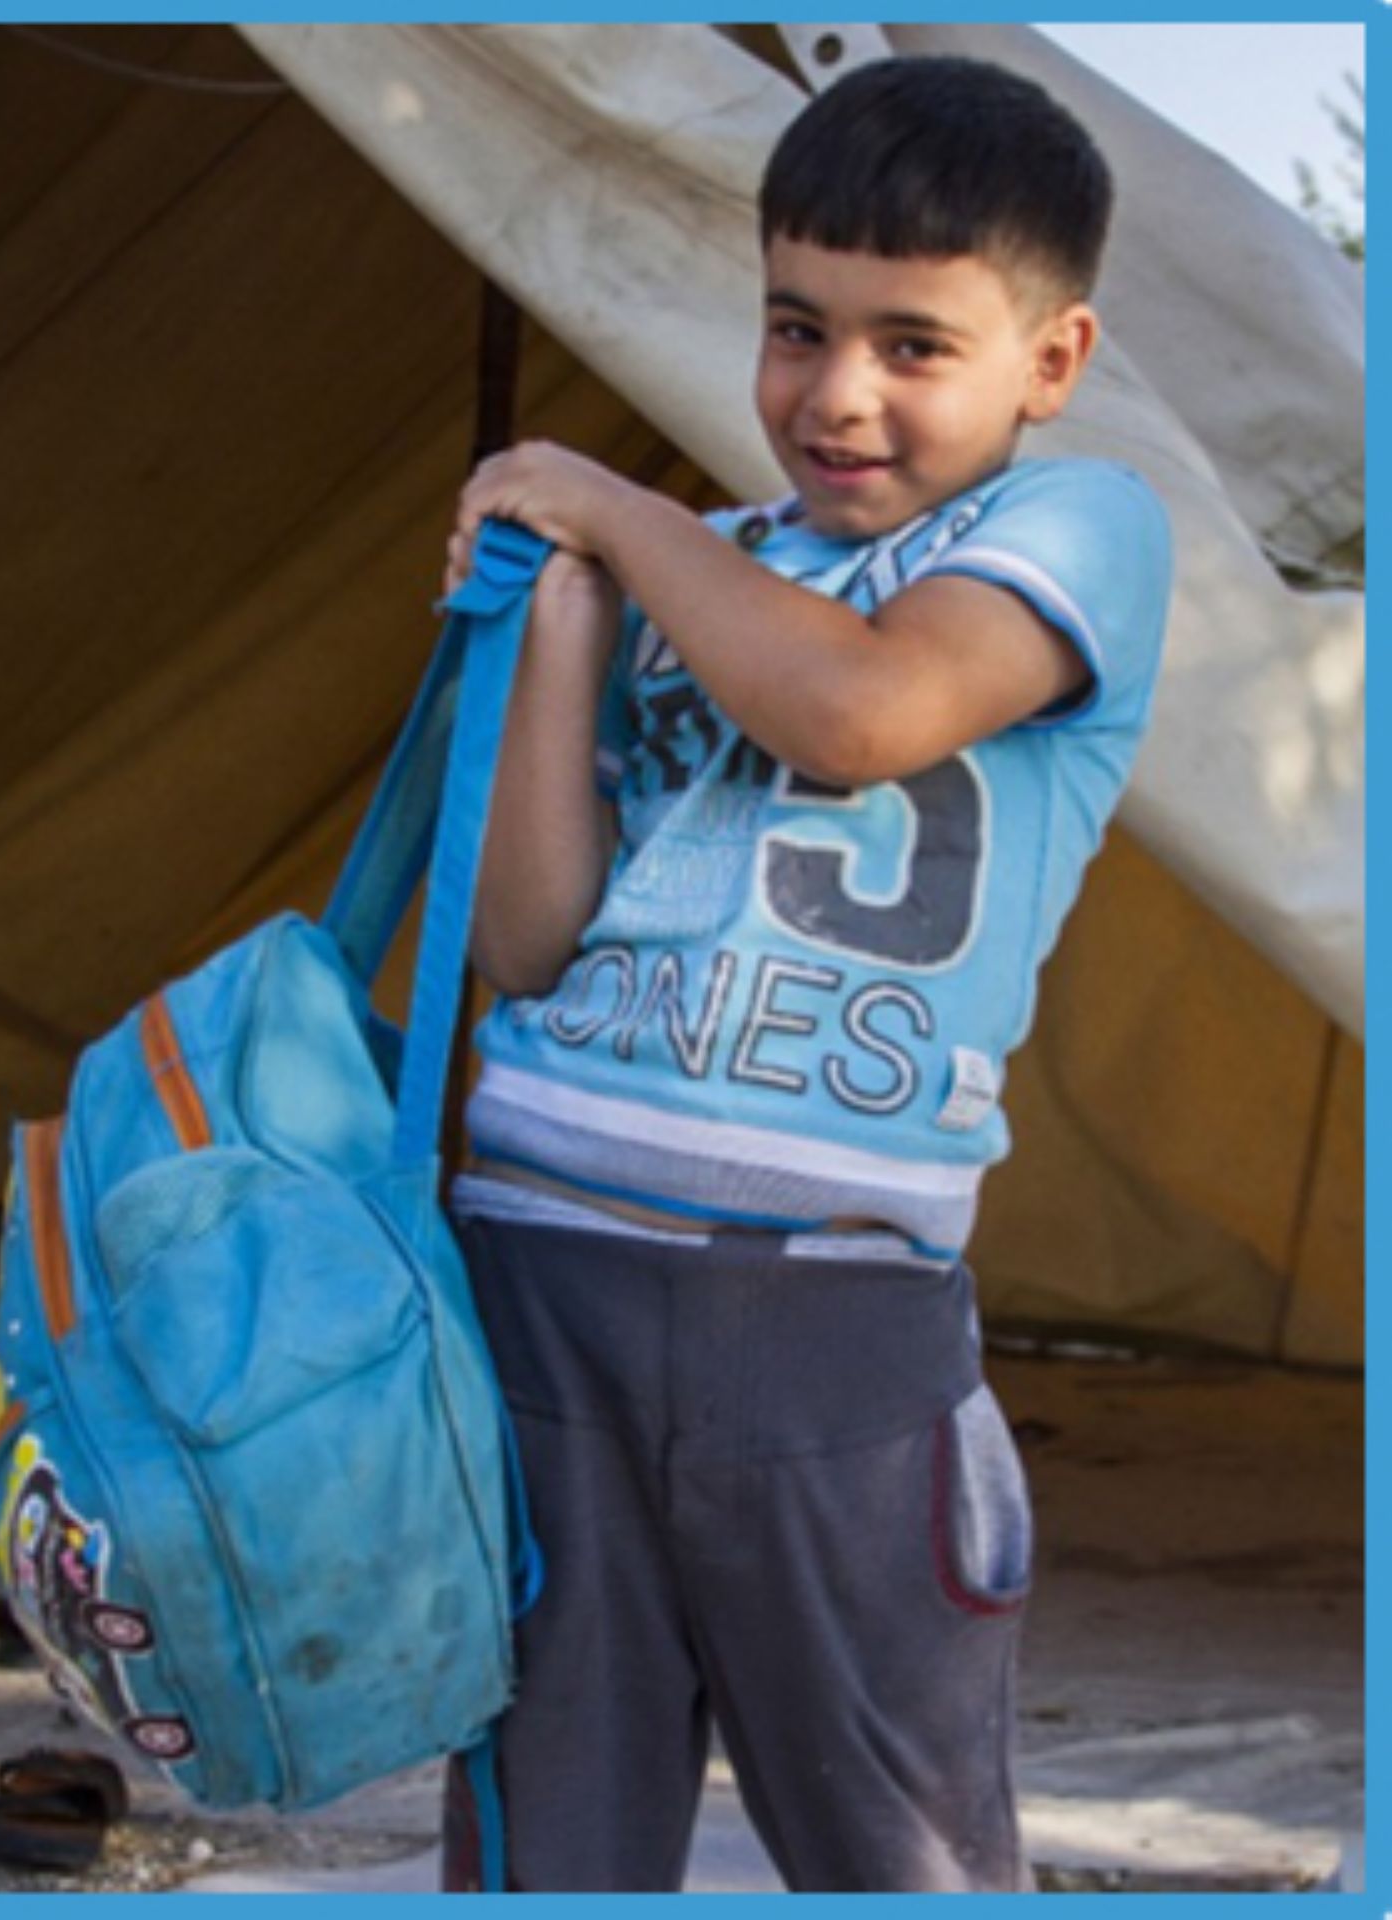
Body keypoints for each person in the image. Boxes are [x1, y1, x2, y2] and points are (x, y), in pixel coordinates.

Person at [437, 53, 1173, 1894]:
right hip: (537, 1285)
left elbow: (860, 713)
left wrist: (609, 510)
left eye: (914, 344)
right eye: (793, 325)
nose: (836, 394)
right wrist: (563, 623)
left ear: (1050, 363)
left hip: (827, 1325)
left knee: (892, 1842)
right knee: (549, 1838)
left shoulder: (1074, 532)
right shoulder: (704, 564)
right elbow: (523, 938)